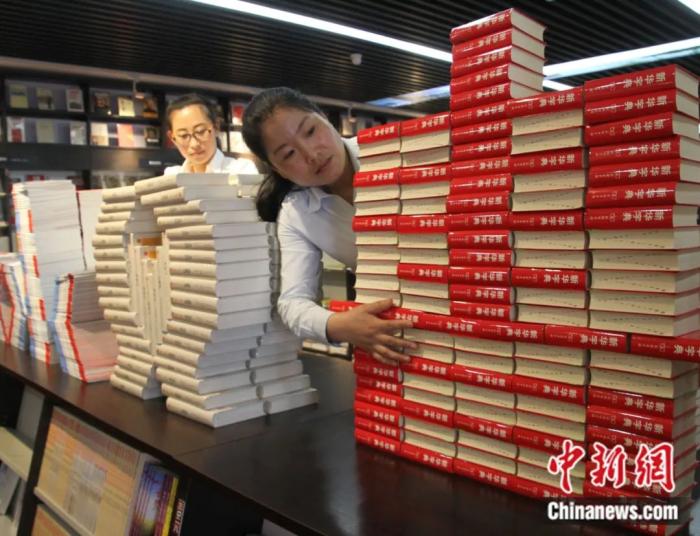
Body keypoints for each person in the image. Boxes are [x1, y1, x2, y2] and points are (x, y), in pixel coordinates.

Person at [242, 87, 415, 365]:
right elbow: (292, 302)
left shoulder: (390, 152)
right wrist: (337, 325)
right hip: (392, 330)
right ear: (277, 169)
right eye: (289, 154)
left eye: (311, 131)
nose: (311, 154)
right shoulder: (297, 212)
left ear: (324, 117)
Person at [164, 93, 258, 175]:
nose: (194, 144)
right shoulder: (172, 176)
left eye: (200, 131)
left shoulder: (241, 170)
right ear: (172, 138)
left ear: (216, 127)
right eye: (184, 135)